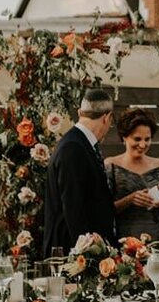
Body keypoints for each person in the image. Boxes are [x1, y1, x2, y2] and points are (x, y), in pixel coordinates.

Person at [43, 88, 117, 256]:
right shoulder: (73, 148)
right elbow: (73, 207)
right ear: (107, 117)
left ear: (79, 113)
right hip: (72, 252)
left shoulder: (79, 143)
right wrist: (87, 255)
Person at [108, 109, 159, 243]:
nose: (143, 145)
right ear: (124, 137)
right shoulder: (111, 165)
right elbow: (105, 210)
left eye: (147, 139)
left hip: (156, 239)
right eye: (137, 139)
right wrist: (130, 199)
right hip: (122, 239)